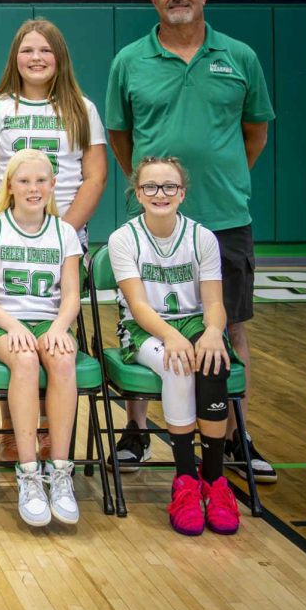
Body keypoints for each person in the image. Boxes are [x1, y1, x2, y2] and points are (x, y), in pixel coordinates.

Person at [106, 0, 275, 482]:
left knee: (230, 325)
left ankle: (235, 435)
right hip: (152, 222)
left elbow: (255, 133)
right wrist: (155, 190)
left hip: (224, 217)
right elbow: (119, 137)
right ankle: (136, 431)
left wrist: (219, 179)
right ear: (153, 0)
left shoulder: (239, 57)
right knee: (144, 319)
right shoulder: (130, 61)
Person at [0, 18, 107, 463]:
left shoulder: (81, 109)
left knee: (55, 329)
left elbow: (94, 176)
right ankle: (14, 430)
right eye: (28, 50)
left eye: (45, 50)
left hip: (63, 229)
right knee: (11, 325)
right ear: (15, 57)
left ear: (59, 57)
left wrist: (60, 229)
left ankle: (50, 433)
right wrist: (6, 224)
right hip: (11, 228)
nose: (36, 58)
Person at [108, 156, 239, 536]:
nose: (160, 194)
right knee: (177, 362)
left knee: (213, 360)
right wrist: (170, 336)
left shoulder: (202, 238)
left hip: (194, 321)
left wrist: (213, 332)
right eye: (150, 186)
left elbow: (213, 303)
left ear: (182, 193)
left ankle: (214, 481)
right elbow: (138, 306)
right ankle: (184, 480)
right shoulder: (124, 238)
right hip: (144, 329)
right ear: (137, 193)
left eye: (169, 186)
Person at [0, 149, 82, 528]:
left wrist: (59, 328)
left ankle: (61, 470)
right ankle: (29, 471)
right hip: (4, 325)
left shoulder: (64, 232)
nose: (33, 188)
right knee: (25, 359)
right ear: (10, 186)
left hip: (51, 322)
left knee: (63, 360)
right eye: (24, 181)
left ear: (53, 185)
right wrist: (13, 326)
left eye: (41, 181)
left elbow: (71, 296)